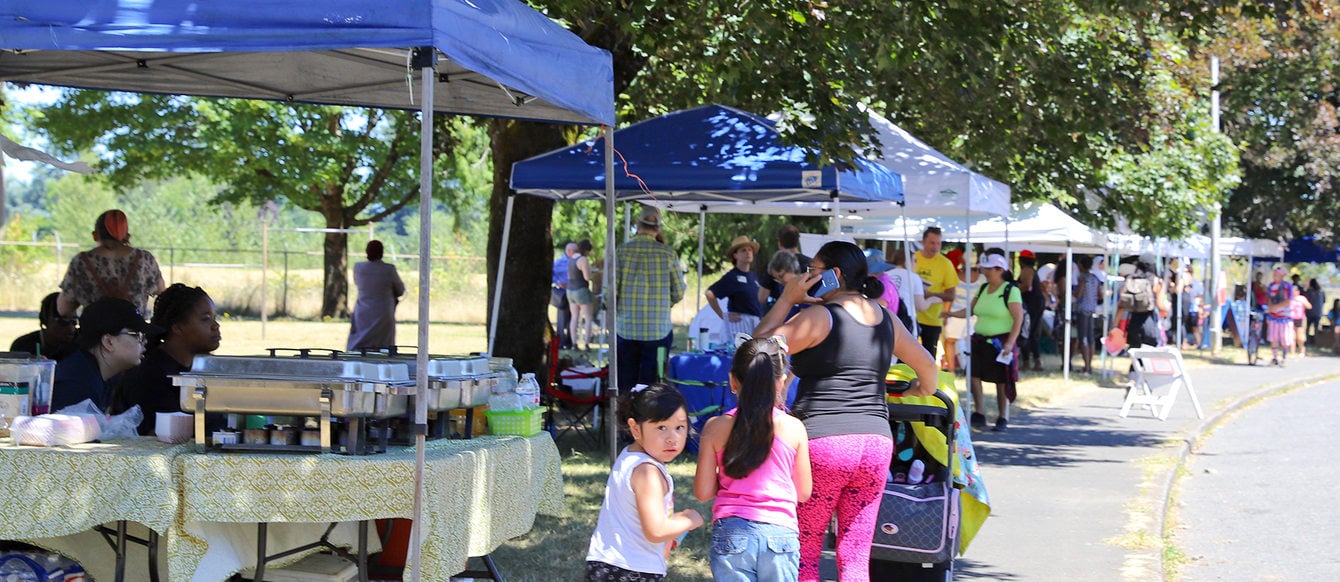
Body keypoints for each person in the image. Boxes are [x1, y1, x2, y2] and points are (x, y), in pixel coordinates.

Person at [753, 241, 939, 582]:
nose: (807, 276)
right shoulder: (885, 316)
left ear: (835, 275)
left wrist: (786, 300)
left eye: (814, 271)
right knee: (855, 555)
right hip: (876, 445)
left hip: (824, 445)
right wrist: (917, 389)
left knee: (806, 551)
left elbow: (757, 351)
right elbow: (927, 367)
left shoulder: (818, 318)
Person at [694, 337, 812, 582]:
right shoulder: (794, 428)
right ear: (780, 383)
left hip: (732, 532)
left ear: (732, 380)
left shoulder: (715, 428)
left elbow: (703, 492)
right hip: (781, 533)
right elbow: (803, 492)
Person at [586, 383, 704, 581]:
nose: (672, 438)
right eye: (661, 427)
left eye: (680, 427)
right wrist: (690, 519)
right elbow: (656, 531)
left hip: (607, 564)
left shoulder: (629, 456)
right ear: (635, 428)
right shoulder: (647, 471)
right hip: (632, 570)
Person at [111, 284, 221, 435]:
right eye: (205, 319)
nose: (216, 326)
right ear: (177, 328)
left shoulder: (207, 368)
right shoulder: (149, 376)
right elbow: (159, 436)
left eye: (215, 318)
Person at [942, 253, 1022, 431]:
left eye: (988, 269)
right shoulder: (983, 288)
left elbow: (1018, 318)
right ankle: (979, 412)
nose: (985, 272)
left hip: (1000, 342)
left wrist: (1010, 342)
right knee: (973, 375)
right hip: (979, 339)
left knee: (1001, 380)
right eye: (984, 268)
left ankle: (1002, 416)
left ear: (999, 270)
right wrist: (951, 314)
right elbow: (970, 310)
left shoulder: (1010, 290)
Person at [615, 206, 685, 391]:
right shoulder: (668, 254)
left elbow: (610, 293)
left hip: (626, 328)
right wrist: (663, 304)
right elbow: (679, 291)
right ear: (659, 229)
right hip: (658, 330)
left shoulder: (621, 252)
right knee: (652, 385)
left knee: (625, 383)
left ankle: (625, 417)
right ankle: (649, 418)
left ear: (637, 224)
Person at [51, 297, 160, 411]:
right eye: (137, 335)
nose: (144, 341)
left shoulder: (101, 376)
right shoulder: (76, 387)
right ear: (108, 342)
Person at [57, 209, 166, 318]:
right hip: (133, 333)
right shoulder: (145, 260)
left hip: (94, 333)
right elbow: (162, 295)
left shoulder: (81, 262)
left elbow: (64, 309)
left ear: (95, 235)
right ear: (127, 236)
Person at [346, 240, 406, 352]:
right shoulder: (388, 269)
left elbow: (358, 283)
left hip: (363, 310)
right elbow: (400, 290)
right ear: (382, 252)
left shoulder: (358, 268)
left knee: (359, 343)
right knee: (384, 345)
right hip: (384, 312)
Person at [912, 227, 958, 358]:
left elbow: (951, 295)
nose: (936, 247)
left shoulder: (945, 263)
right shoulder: (912, 259)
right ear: (923, 242)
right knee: (906, 358)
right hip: (911, 316)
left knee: (928, 357)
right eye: (932, 243)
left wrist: (929, 295)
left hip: (932, 319)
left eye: (939, 243)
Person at [707, 235, 764, 340]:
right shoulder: (732, 276)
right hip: (739, 323)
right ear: (735, 255)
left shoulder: (754, 276)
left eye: (750, 250)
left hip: (755, 323)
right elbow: (710, 294)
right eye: (743, 250)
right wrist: (723, 316)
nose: (748, 253)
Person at [1111, 255, 1168, 354]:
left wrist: (1115, 325)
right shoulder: (1156, 281)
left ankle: (1134, 369)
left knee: (1135, 353)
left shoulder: (1131, 279)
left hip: (1133, 321)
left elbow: (1121, 304)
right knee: (1150, 354)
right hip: (1149, 321)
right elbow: (1160, 305)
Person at [940, 249, 980, 374]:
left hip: (955, 313)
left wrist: (946, 315)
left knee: (950, 341)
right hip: (974, 314)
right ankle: (970, 369)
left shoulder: (955, 277)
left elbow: (949, 298)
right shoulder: (982, 278)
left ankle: (951, 370)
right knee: (971, 342)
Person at [9, 292, 78, 361]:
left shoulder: (81, 344)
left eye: (74, 321)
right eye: (63, 321)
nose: (71, 328)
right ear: (45, 319)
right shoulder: (23, 346)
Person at [1017, 250, 1046, 371]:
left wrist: (1013, 289)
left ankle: (1028, 361)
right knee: (1031, 332)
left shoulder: (1027, 270)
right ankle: (1035, 360)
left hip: (1031, 304)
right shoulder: (1032, 270)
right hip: (1035, 303)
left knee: (1026, 332)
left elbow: (1026, 286)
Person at [1072, 255, 1102, 374]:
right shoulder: (1095, 278)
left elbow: (1079, 294)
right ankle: (1089, 365)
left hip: (1082, 309)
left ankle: (1087, 366)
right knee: (1090, 338)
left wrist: (1072, 293)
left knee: (1083, 338)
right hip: (1092, 309)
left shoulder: (1082, 278)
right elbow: (1100, 295)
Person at [568, 239, 597, 351]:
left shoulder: (571, 259)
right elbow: (587, 277)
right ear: (586, 250)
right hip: (581, 290)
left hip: (570, 290)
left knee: (574, 317)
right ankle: (586, 343)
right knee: (588, 317)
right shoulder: (583, 259)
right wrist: (592, 272)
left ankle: (574, 343)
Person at [1263, 267, 1295, 366]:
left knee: (1285, 338)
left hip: (1285, 317)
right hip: (1273, 316)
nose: (1275, 276)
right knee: (1273, 337)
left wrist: (1275, 307)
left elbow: (1289, 301)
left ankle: (1284, 357)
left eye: (1277, 274)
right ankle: (1275, 357)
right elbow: (1268, 298)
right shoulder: (1271, 286)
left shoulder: (1287, 286)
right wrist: (1270, 308)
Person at [553, 242, 577, 349]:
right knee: (562, 318)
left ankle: (569, 341)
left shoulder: (576, 261)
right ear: (569, 251)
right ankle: (561, 341)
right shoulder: (559, 262)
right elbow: (552, 275)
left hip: (573, 292)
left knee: (573, 317)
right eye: (575, 251)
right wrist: (558, 282)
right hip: (562, 293)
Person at [1289, 277, 1311, 358]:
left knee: (1300, 336)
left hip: (1300, 318)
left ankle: (1302, 350)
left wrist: (1303, 303)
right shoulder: (1289, 299)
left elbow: (1309, 306)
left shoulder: (1302, 298)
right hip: (1291, 318)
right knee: (1292, 336)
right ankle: (1292, 352)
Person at [1304, 278, 1325, 344]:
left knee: (1308, 327)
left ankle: (1307, 341)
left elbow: (1306, 300)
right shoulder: (1321, 291)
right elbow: (1324, 301)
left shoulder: (1309, 291)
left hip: (1309, 312)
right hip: (1318, 312)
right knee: (1316, 327)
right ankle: (1316, 341)